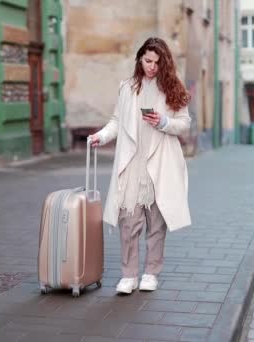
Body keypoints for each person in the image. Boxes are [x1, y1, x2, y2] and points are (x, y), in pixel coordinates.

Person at [88, 37, 192, 294]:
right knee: (128, 222)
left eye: (157, 62)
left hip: (160, 163)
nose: (152, 67)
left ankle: (151, 273)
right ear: (139, 59)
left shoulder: (171, 87)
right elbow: (116, 120)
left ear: (164, 62)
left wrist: (164, 122)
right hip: (132, 163)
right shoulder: (127, 87)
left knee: (156, 224)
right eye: (148, 61)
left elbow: (184, 123)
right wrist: (100, 136)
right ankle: (128, 275)